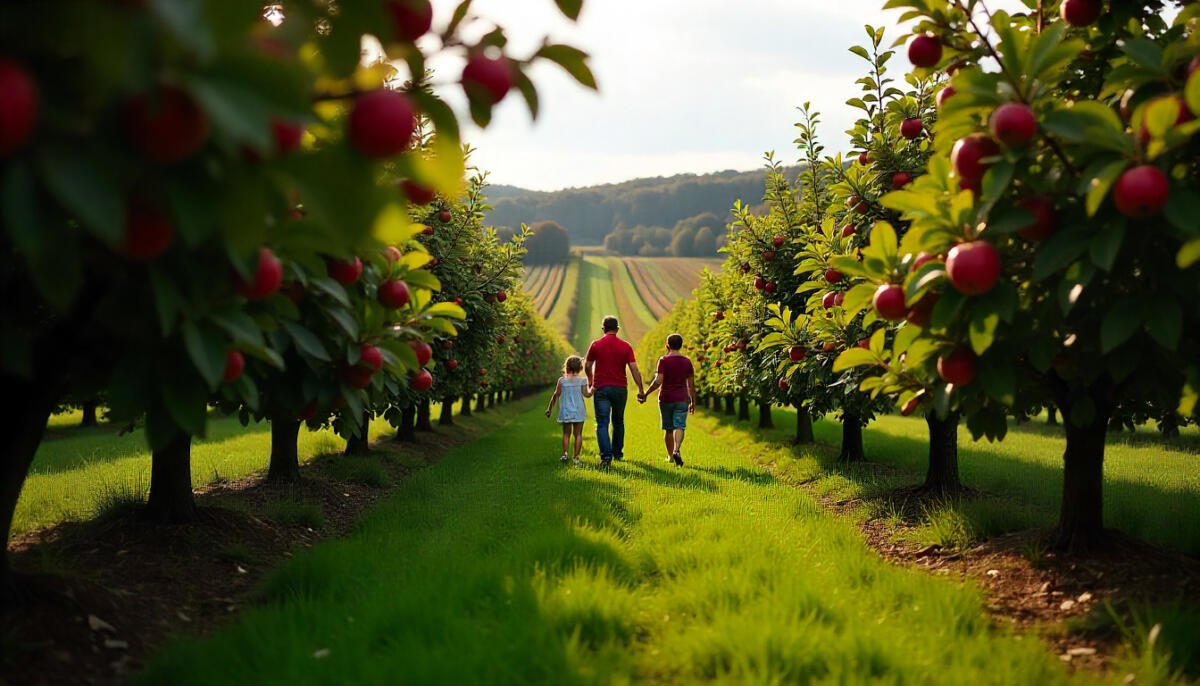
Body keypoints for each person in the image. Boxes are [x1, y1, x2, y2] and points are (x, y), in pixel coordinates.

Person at [584, 315, 645, 467]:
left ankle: (606, 457)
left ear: (603, 329)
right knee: (618, 422)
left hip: (601, 389)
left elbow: (587, 365)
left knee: (602, 423)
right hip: (620, 389)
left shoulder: (596, 345)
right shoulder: (626, 346)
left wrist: (591, 381)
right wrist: (640, 389)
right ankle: (617, 454)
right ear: (617, 329)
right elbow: (634, 369)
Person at [639, 333, 696, 467]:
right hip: (682, 398)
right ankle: (676, 450)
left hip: (666, 398)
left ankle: (670, 456)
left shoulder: (663, 360)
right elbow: (691, 384)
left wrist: (646, 393)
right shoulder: (687, 361)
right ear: (681, 345)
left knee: (669, 429)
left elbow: (658, 381)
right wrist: (693, 401)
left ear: (667, 345)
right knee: (679, 425)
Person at [545, 355, 593, 465]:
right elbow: (587, 394)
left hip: (566, 411)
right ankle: (576, 457)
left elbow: (556, 395)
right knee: (578, 435)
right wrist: (593, 389)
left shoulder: (562, 381)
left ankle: (565, 454)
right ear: (580, 368)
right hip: (578, 410)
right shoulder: (582, 380)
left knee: (566, 434)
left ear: (566, 367)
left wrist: (549, 409)